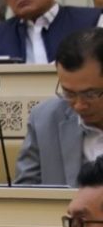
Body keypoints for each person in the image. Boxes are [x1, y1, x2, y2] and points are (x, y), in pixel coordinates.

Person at [16, 28, 103, 186]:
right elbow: (25, 191)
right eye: (69, 93)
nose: (79, 105)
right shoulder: (44, 119)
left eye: (90, 94)